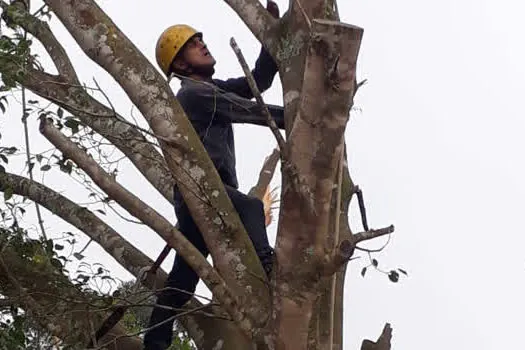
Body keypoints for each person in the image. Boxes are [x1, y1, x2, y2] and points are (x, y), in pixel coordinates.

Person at [143, 2, 283, 349]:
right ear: (179, 63)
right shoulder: (195, 93)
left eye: (201, 40)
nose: (203, 45)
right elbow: (252, 111)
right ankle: (268, 269)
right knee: (252, 207)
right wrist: (301, 117)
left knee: (181, 282)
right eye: (193, 45)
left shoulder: (210, 87)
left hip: (204, 197)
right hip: (204, 192)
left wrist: (271, 36)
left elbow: (258, 82)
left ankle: (154, 344)